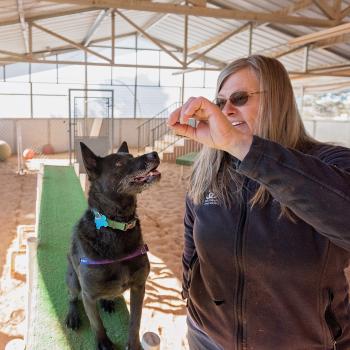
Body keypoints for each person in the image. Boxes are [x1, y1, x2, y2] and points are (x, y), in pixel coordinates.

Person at [167, 55, 350, 350]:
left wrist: (242, 146)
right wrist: (189, 293)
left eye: (239, 98)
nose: (225, 111)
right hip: (207, 337)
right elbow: (192, 243)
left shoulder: (330, 162)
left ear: (277, 100)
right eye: (220, 101)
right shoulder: (210, 168)